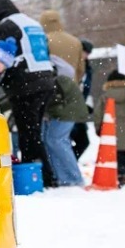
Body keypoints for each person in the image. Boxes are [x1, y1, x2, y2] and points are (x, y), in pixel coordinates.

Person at [0, 0, 58, 186]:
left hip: (26, 84)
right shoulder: (33, 23)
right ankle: (40, 172)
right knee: (34, 131)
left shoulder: (6, 26)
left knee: (29, 133)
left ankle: (41, 176)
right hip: (46, 80)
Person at [42, 56, 88, 187]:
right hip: (66, 113)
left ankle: (73, 178)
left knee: (57, 141)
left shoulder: (58, 81)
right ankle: (63, 177)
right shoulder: (59, 79)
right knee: (53, 141)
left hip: (67, 114)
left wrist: (47, 111)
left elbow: (55, 101)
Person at [94, 71, 125, 186]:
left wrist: (98, 128)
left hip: (112, 133)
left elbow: (98, 115)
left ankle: (121, 175)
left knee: (118, 157)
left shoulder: (105, 96)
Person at [40, 10, 86, 83]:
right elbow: (81, 69)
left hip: (51, 87)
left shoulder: (42, 41)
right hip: (72, 88)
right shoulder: (75, 41)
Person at [69, 38, 95, 160]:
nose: (86, 56)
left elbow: (86, 90)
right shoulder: (72, 63)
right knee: (67, 140)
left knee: (83, 141)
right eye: (85, 52)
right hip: (69, 107)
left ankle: (70, 163)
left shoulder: (87, 68)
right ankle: (67, 166)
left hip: (78, 109)